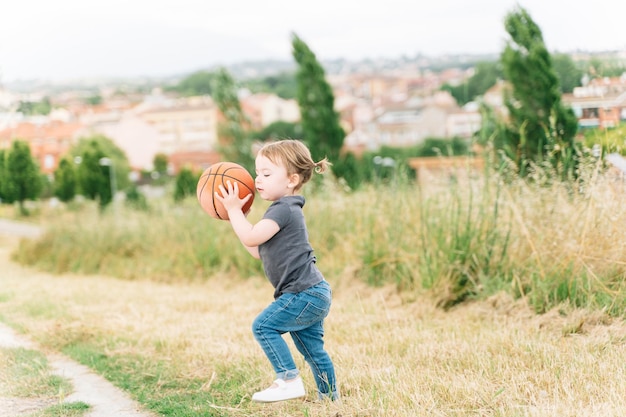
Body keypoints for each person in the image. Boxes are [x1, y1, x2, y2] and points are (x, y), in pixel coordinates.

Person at [215, 139, 339, 403]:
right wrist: (236, 218)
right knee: (313, 351)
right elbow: (257, 248)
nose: (258, 179)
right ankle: (329, 399)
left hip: (303, 293)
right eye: (257, 172)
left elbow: (250, 238)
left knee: (262, 326)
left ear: (292, 179)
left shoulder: (283, 209)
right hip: (313, 292)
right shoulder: (284, 209)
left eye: (267, 174)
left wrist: (235, 211)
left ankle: (288, 379)